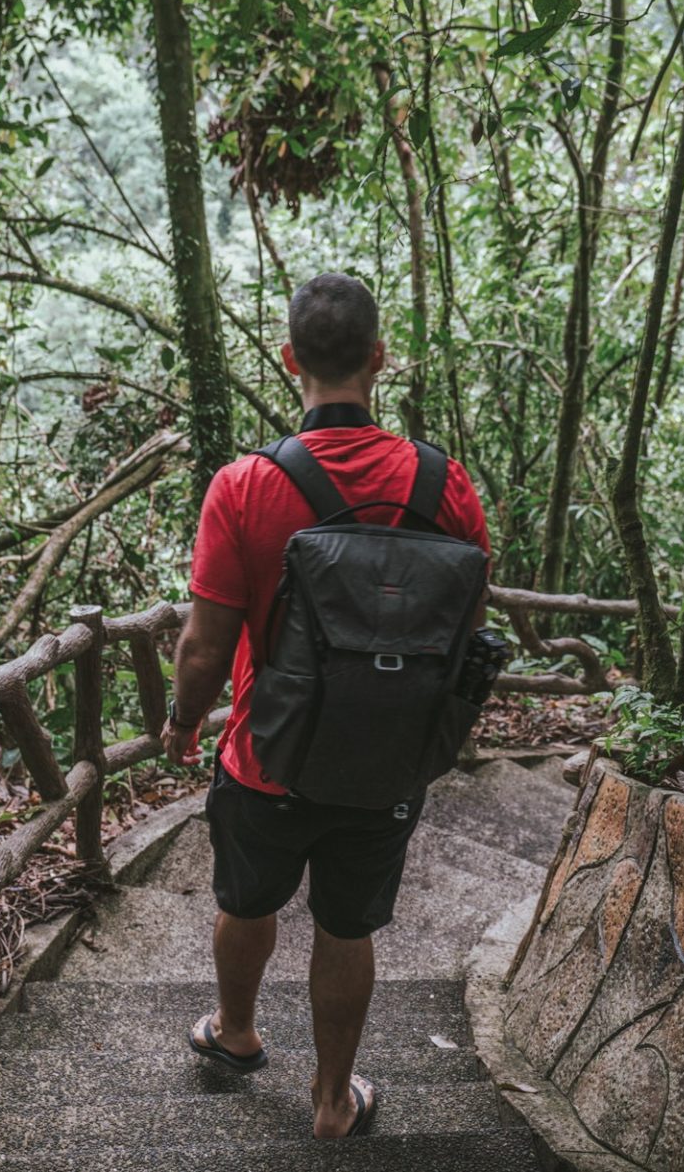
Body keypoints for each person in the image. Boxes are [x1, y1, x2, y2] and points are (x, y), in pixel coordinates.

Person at [158, 272, 491, 1140]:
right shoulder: (445, 486)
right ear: (379, 359)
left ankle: (235, 1033)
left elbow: (202, 643)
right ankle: (333, 1101)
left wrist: (186, 723)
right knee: (346, 925)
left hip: (267, 756)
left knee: (248, 900)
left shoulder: (243, 486)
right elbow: (463, 630)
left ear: (288, 359)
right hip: (387, 761)